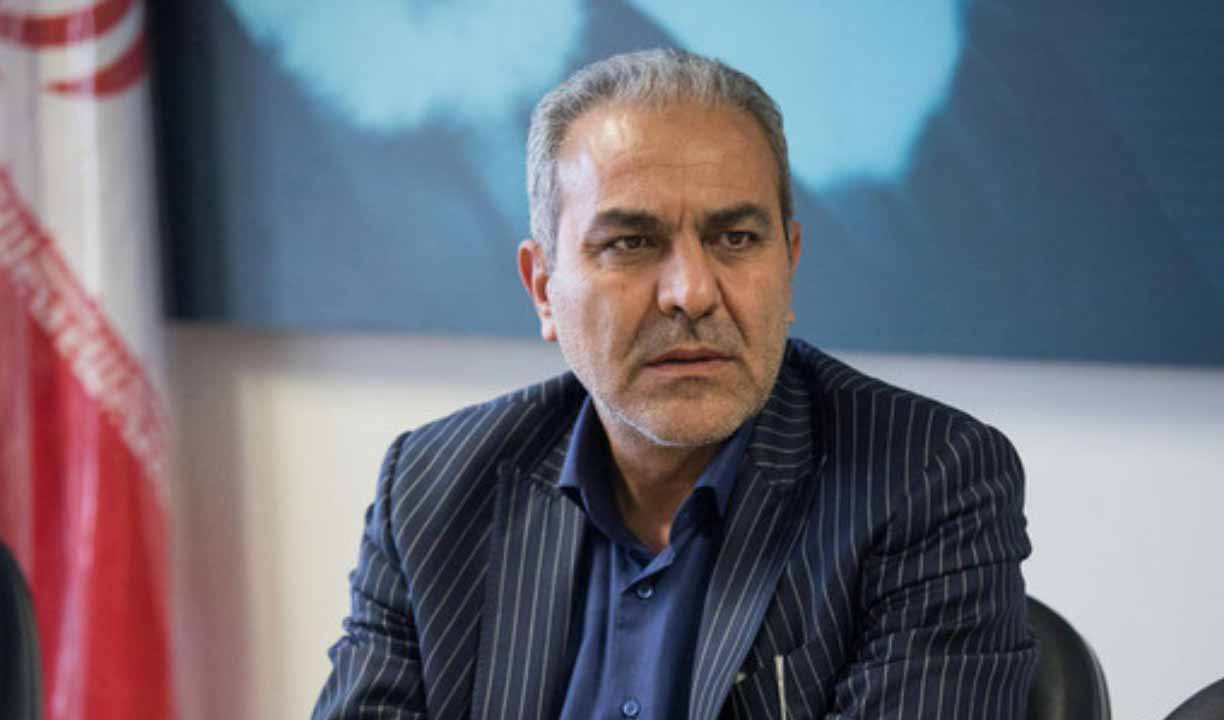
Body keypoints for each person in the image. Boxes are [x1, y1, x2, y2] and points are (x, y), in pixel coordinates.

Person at [313, 48, 1036, 719]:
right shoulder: (432, 489)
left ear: (789, 263)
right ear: (543, 288)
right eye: (631, 242)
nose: (691, 292)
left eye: (736, 239)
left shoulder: (926, 479)